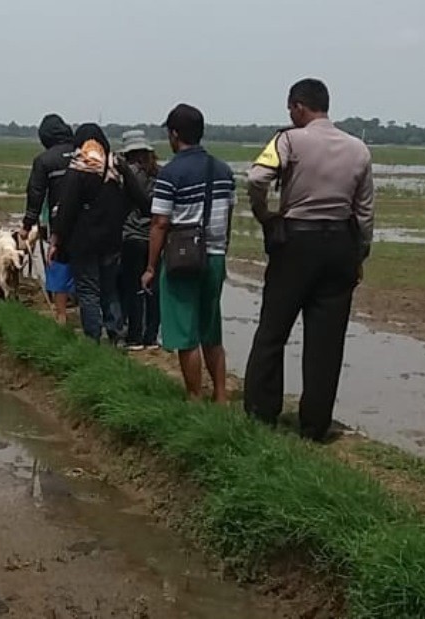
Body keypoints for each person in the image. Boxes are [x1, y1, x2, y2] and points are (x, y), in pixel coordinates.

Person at [243, 78, 374, 442]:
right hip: (340, 247)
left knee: (273, 330)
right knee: (327, 342)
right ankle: (315, 425)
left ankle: (261, 413)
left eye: (291, 109)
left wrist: (265, 215)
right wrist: (359, 253)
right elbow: (365, 213)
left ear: (298, 107)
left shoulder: (287, 139)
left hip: (296, 242)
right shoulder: (359, 149)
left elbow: (256, 178)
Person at [142, 104, 235, 402]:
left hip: (182, 257)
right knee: (211, 330)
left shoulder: (170, 174)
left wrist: (151, 266)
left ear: (175, 134)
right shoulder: (223, 170)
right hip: (215, 255)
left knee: (185, 334)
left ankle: (194, 397)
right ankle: (220, 397)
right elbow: (229, 214)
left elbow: (159, 223)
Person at [52, 123, 131, 344]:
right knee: (109, 290)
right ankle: (117, 336)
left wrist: (57, 239)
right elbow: (141, 199)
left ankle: (92, 340)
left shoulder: (78, 168)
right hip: (112, 241)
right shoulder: (116, 166)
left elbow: (65, 209)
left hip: (84, 243)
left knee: (88, 291)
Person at [20, 114, 77, 324]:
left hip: (60, 224)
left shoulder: (44, 160)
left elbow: (35, 194)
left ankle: (61, 316)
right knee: (87, 269)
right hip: (89, 223)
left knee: (59, 264)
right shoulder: (84, 155)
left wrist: (27, 225)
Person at [116, 130, 161, 351]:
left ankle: (134, 336)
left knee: (132, 287)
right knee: (153, 287)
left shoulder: (126, 175)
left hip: (132, 236)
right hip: (156, 237)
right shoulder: (159, 174)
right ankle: (151, 336)